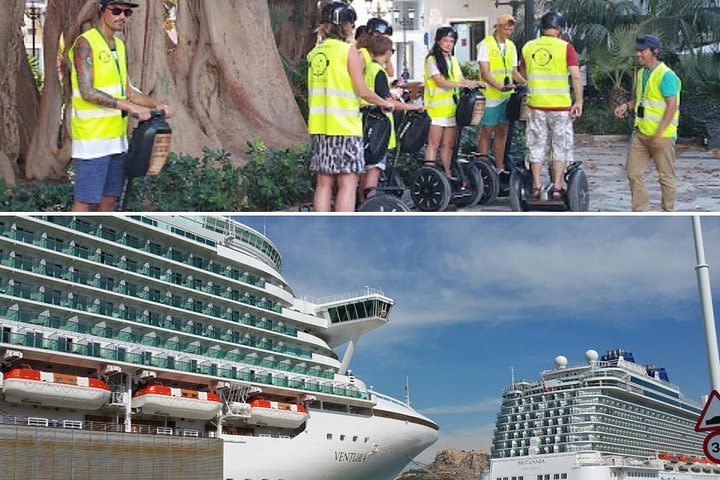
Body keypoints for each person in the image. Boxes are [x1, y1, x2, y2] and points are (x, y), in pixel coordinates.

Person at [70, 0, 172, 212]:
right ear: (101, 10)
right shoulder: (85, 43)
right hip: (91, 142)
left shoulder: (119, 46)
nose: (122, 16)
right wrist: (129, 107)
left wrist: (157, 104)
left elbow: (129, 91)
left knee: (109, 200)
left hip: (117, 141)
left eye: (126, 12)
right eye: (116, 10)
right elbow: (87, 91)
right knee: (85, 201)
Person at [307, 2, 393, 212]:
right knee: (347, 183)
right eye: (352, 25)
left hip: (319, 127)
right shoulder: (348, 51)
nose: (353, 29)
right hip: (345, 127)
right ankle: (342, 228)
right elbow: (362, 90)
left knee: (324, 182)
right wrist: (385, 102)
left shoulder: (315, 53)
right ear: (344, 25)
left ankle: (322, 228)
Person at [614, 35, 681, 212]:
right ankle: (640, 211)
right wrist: (626, 106)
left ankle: (667, 213)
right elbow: (641, 100)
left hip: (663, 136)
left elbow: (671, 107)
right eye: (637, 51)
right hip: (641, 134)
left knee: (665, 177)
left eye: (642, 51)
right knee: (633, 173)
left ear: (654, 52)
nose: (638, 54)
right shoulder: (642, 73)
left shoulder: (666, 75)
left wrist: (659, 134)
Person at [520, 11, 583, 198]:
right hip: (560, 107)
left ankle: (537, 186)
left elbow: (523, 70)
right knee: (560, 146)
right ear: (560, 29)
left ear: (542, 28)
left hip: (535, 105)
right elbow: (576, 76)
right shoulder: (566, 48)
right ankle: (556, 187)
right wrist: (578, 101)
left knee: (536, 145)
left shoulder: (528, 47)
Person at [358, 35, 424, 203]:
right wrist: (413, 107)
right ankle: (370, 204)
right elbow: (387, 103)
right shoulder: (378, 72)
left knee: (366, 168)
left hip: (364, 122)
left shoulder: (368, 69)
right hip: (378, 126)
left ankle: (360, 202)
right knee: (375, 168)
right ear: (387, 53)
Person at [424, 26, 484, 178]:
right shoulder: (431, 60)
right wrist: (462, 84)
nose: (448, 44)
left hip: (451, 110)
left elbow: (460, 80)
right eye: (445, 40)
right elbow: (440, 82)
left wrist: (475, 83)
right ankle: (430, 175)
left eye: (452, 41)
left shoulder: (453, 60)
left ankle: (448, 174)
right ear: (438, 41)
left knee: (448, 145)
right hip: (435, 112)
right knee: (434, 144)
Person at [476, 14, 526, 173]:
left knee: (502, 131)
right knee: (486, 131)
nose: (509, 31)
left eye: (511, 28)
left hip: (506, 96)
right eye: (506, 28)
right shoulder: (486, 44)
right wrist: (498, 86)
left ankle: (499, 167)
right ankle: (483, 167)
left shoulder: (511, 46)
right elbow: (485, 72)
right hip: (491, 96)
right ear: (498, 27)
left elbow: (513, 71)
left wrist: (526, 83)